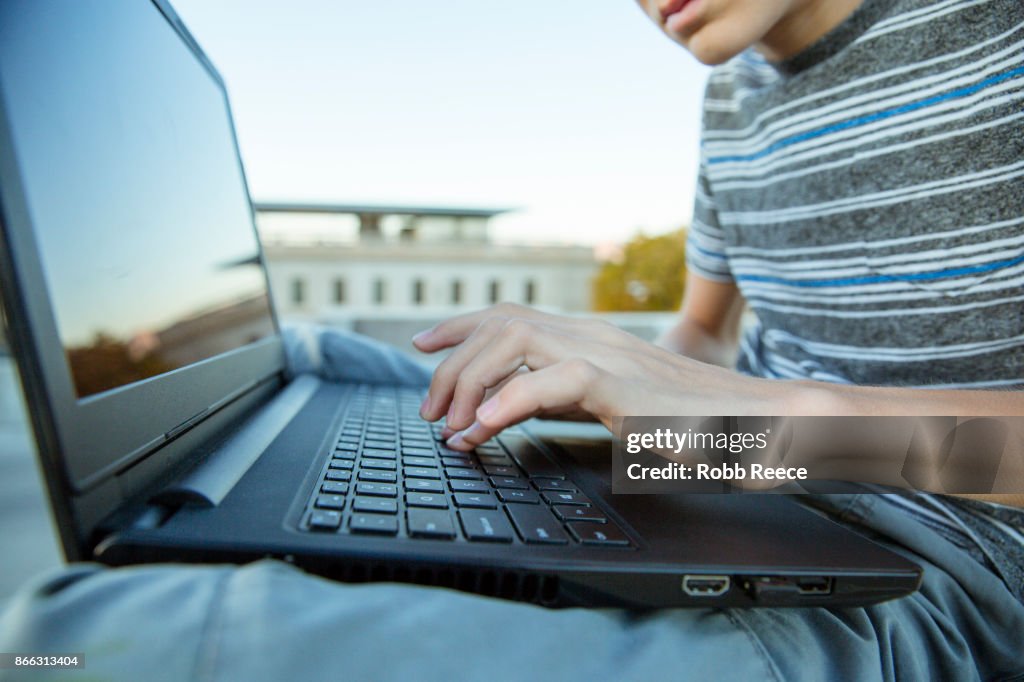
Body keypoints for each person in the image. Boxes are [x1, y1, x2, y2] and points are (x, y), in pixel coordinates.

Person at [1, 1, 1022, 680]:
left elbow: (727, 400)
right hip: (744, 481)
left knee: (77, 642)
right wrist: (612, 379)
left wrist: (733, 428)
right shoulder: (731, 97)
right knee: (306, 360)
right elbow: (703, 337)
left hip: (947, 572)